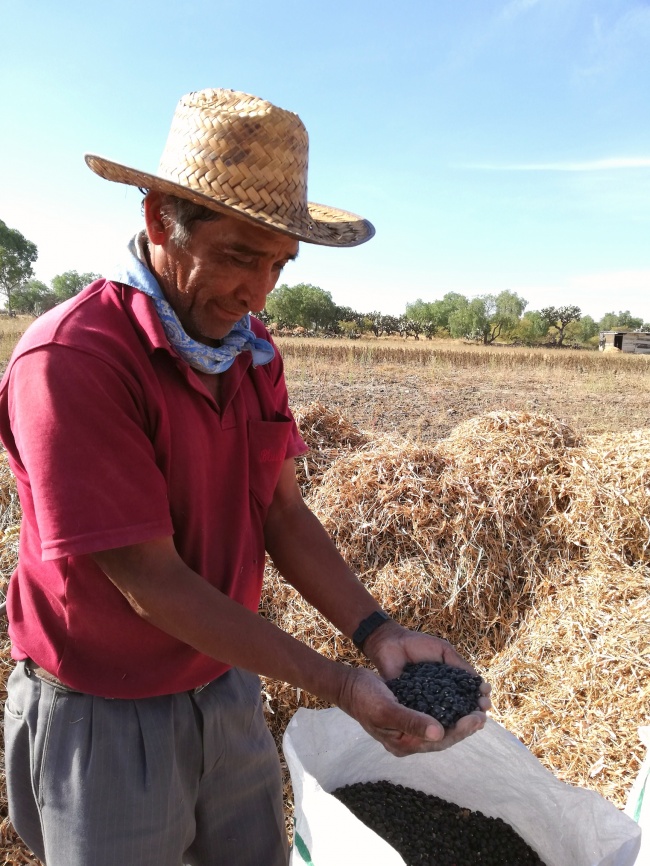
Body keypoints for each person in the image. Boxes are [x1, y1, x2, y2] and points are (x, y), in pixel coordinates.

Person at [0, 88, 490, 866]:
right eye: (237, 256)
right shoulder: (76, 361)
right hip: (107, 711)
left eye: (278, 264)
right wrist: (338, 685)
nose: (259, 293)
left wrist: (379, 634)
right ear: (162, 219)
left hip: (226, 680)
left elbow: (282, 514)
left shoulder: (250, 350)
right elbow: (150, 582)